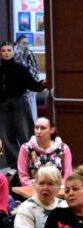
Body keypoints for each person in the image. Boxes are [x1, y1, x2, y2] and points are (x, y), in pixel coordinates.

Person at [0, 41, 46, 170]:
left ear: (13, 52)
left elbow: (33, 85)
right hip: (2, 105)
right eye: (3, 51)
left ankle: (31, 161)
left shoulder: (21, 69)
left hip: (19, 103)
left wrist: (43, 84)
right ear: (0, 53)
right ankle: (15, 164)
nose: (6, 53)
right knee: (6, 136)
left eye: (9, 50)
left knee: (25, 133)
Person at [14, 164, 67, 228]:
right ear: (35, 185)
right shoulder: (26, 208)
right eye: (41, 183)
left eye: (50, 184)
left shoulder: (65, 206)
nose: (45, 188)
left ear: (59, 187)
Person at [17, 116, 73, 185]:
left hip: (58, 190)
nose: (38, 131)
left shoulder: (64, 148)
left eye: (42, 128)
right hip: (33, 191)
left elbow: (68, 175)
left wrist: (57, 188)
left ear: (52, 130)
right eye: (36, 128)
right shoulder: (26, 148)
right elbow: (23, 177)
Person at [13, 35, 40, 120]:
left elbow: (35, 69)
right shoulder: (14, 55)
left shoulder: (29, 54)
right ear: (17, 44)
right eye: (24, 43)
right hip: (18, 91)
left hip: (30, 89)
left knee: (32, 114)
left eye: (28, 43)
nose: (26, 45)